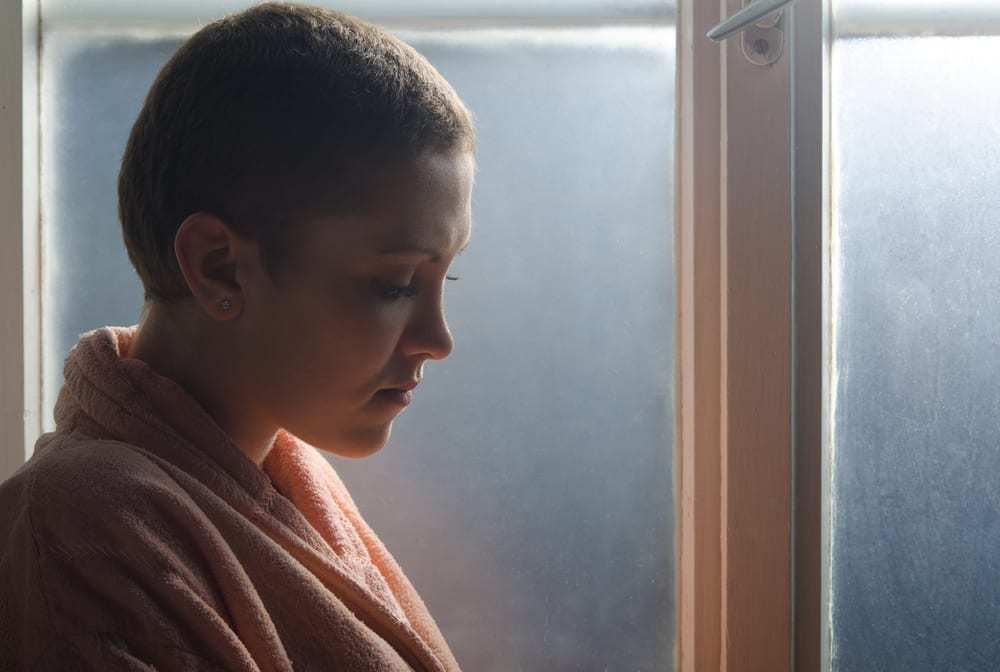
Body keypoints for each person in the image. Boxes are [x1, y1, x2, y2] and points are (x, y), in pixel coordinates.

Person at [0, 3, 474, 670]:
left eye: (444, 281)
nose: (438, 338)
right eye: (395, 284)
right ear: (220, 267)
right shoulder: (81, 526)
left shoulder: (278, 479)